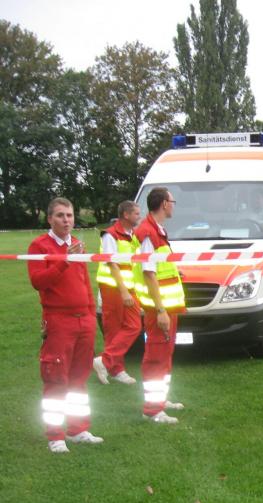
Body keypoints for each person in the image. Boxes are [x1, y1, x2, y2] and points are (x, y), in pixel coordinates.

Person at [28, 198, 103, 453]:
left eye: (69, 215)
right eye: (60, 215)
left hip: (84, 320)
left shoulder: (76, 244)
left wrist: (91, 315)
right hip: (59, 320)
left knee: (79, 378)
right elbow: (38, 281)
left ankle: (78, 429)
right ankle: (55, 435)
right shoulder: (40, 245)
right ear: (50, 218)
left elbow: (84, 283)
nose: (66, 220)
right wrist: (64, 260)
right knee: (56, 378)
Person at [134, 187, 186, 424]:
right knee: (155, 358)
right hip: (159, 309)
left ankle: (160, 401)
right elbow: (148, 273)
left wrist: (175, 271)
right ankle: (152, 409)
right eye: (172, 201)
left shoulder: (157, 231)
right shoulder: (148, 233)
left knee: (165, 356)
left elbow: (159, 267)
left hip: (166, 307)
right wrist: (161, 310)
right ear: (165, 204)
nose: (174, 205)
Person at [93, 201, 142, 386]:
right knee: (114, 329)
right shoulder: (110, 235)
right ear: (126, 215)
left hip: (128, 288)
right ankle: (116, 369)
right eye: (136, 213)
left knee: (133, 325)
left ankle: (105, 361)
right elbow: (111, 263)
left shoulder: (132, 235)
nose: (139, 217)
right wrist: (123, 291)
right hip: (113, 288)